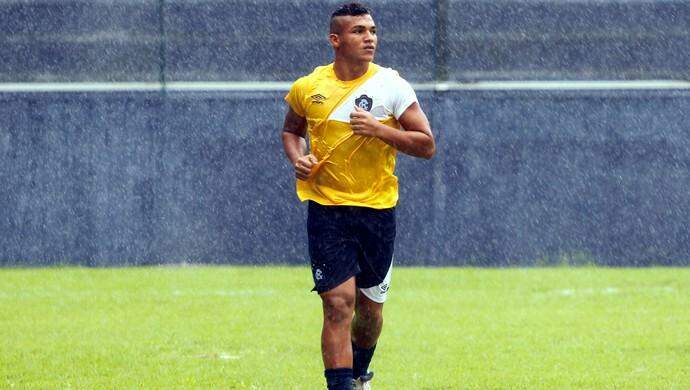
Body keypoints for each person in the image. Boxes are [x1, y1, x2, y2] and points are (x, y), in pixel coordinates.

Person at [281, 3, 435, 389]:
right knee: (337, 305)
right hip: (328, 210)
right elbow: (291, 131)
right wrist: (299, 159)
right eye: (359, 31)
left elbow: (426, 144)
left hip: (377, 212)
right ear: (335, 40)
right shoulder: (309, 87)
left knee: (368, 314)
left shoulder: (393, 86)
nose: (370, 38)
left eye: (372, 31)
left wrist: (381, 130)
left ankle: (360, 373)